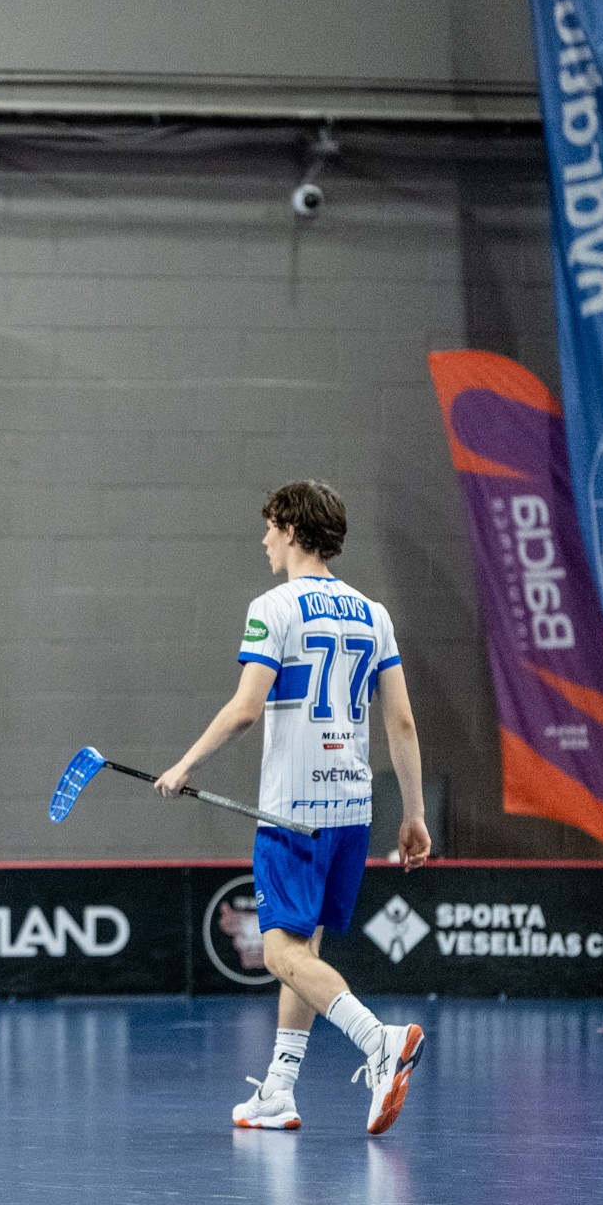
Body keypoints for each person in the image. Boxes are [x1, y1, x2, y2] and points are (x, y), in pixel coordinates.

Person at [155, 480, 429, 1136]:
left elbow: (246, 708)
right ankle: (279, 1089)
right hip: (353, 810)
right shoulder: (375, 613)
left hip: (292, 812)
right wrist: (414, 813)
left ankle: (378, 1040)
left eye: (270, 527)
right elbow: (401, 722)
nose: (264, 540)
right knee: (305, 949)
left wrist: (186, 763)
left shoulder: (273, 607)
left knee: (280, 955)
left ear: (293, 530)